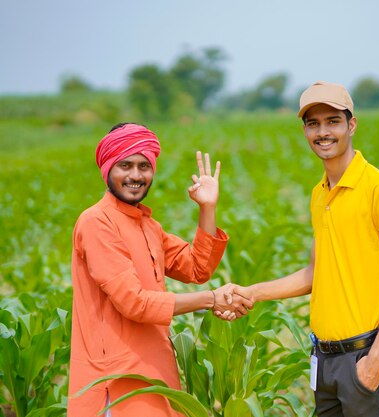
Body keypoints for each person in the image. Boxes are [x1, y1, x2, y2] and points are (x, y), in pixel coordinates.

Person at [221, 81, 379, 416]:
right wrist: (252, 292)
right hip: (324, 362)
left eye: (332, 121)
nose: (322, 132)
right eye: (313, 124)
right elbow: (316, 273)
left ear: (351, 124)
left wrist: (378, 357)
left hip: (364, 357)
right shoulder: (319, 193)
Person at [67, 123, 251, 416]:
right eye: (125, 165)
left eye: (144, 166)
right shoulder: (96, 223)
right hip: (117, 381)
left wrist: (207, 207)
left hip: (156, 372)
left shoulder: (148, 225)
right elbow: (134, 303)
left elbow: (196, 268)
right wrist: (212, 299)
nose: (136, 175)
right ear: (107, 169)